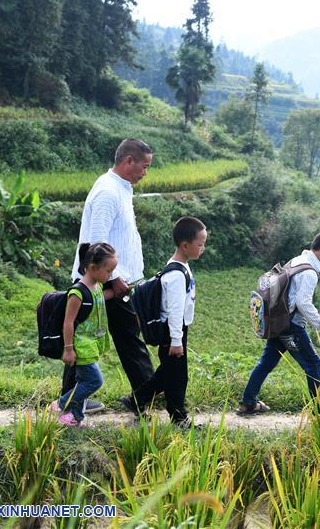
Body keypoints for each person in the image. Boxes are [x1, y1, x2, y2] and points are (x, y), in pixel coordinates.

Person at [64, 138, 154, 414]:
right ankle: (146, 395)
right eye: (144, 166)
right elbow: (96, 243)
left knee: (97, 339)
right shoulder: (108, 192)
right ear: (128, 161)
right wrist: (113, 280)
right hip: (106, 285)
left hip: (113, 282)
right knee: (130, 341)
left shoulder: (120, 188)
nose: (145, 172)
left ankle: (71, 400)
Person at [237, 231, 320, 415]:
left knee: (266, 362)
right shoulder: (309, 273)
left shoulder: (297, 261)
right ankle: (319, 410)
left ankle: (248, 402)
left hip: (278, 322)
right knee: (313, 363)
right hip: (291, 326)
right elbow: (303, 302)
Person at [130, 217, 206, 428]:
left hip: (176, 330)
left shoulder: (181, 267)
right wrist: (175, 340)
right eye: (200, 244)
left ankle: (137, 400)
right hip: (171, 330)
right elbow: (174, 311)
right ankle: (178, 417)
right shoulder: (175, 275)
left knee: (169, 373)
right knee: (177, 377)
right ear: (185, 245)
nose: (203, 248)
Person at [50, 242, 117, 427]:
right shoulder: (77, 292)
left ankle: (74, 418)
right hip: (80, 345)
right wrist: (68, 349)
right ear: (93, 267)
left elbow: (99, 299)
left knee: (82, 382)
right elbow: (68, 322)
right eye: (108, 271)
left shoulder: (97, 287)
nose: (110, 275)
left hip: (91, 344)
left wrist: (118, 292)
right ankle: (60, 404)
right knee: (94, 381)